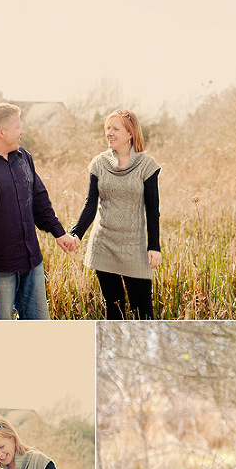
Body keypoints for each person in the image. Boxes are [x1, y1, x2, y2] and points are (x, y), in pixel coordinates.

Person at [0, 103, 79, 320]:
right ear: (1, 132)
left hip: (32, 263)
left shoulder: (23, 157)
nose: (22, 131)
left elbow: (40, 200)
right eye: (18, 127)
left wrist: (59, 233)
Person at [70, 108, 161, 319]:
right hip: (104, 244)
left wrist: (154, 247)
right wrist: (76, 234)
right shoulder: (98, 164)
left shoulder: (147, 166)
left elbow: (153, 210)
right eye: (107, 128)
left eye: (115, 128)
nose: (109, 133)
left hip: (134, 247)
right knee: (114, 308)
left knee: (143, 311)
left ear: (130, 133)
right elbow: (90, 205)